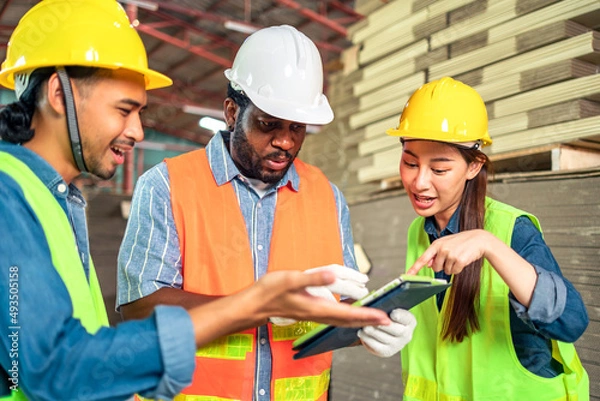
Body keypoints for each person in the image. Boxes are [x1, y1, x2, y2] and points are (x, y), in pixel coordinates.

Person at [0, 2, 393, 400]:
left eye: (298, 127)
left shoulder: (57, 199)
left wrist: (365, 325)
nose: (137, 131)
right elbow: (55, 366)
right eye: (124, 110)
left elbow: (75, 352)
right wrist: (252, 305)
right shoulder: (13, 193)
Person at [117, 25, 416, 401]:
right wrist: (263, 306)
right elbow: (140, 308)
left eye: (297, 127)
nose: (285, 141)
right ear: (231, 111)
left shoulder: (328, 197)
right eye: (268, 124)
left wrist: (367, 326)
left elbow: (333, 307)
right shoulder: (166, 186)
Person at [387, 77, 590, 400]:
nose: (419, 181)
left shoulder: (512, 230)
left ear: (473, 166)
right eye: (410, 163)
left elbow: (572, 322)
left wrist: (490, 245)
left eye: (438, 170)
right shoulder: (419, 231)